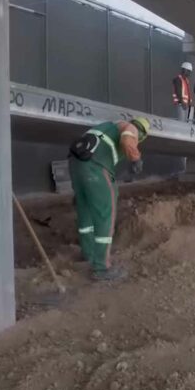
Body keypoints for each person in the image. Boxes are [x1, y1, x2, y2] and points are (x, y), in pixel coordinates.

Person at [68, 117, 150, 280]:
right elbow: (128, 140)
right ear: (141, 134)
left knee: (85, 210)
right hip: (96, 168)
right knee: (106, 213)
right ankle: (101, 268)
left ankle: (88, 253)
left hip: (76, 166)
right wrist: (136, 159)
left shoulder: (105, 127)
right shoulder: (131, 128)